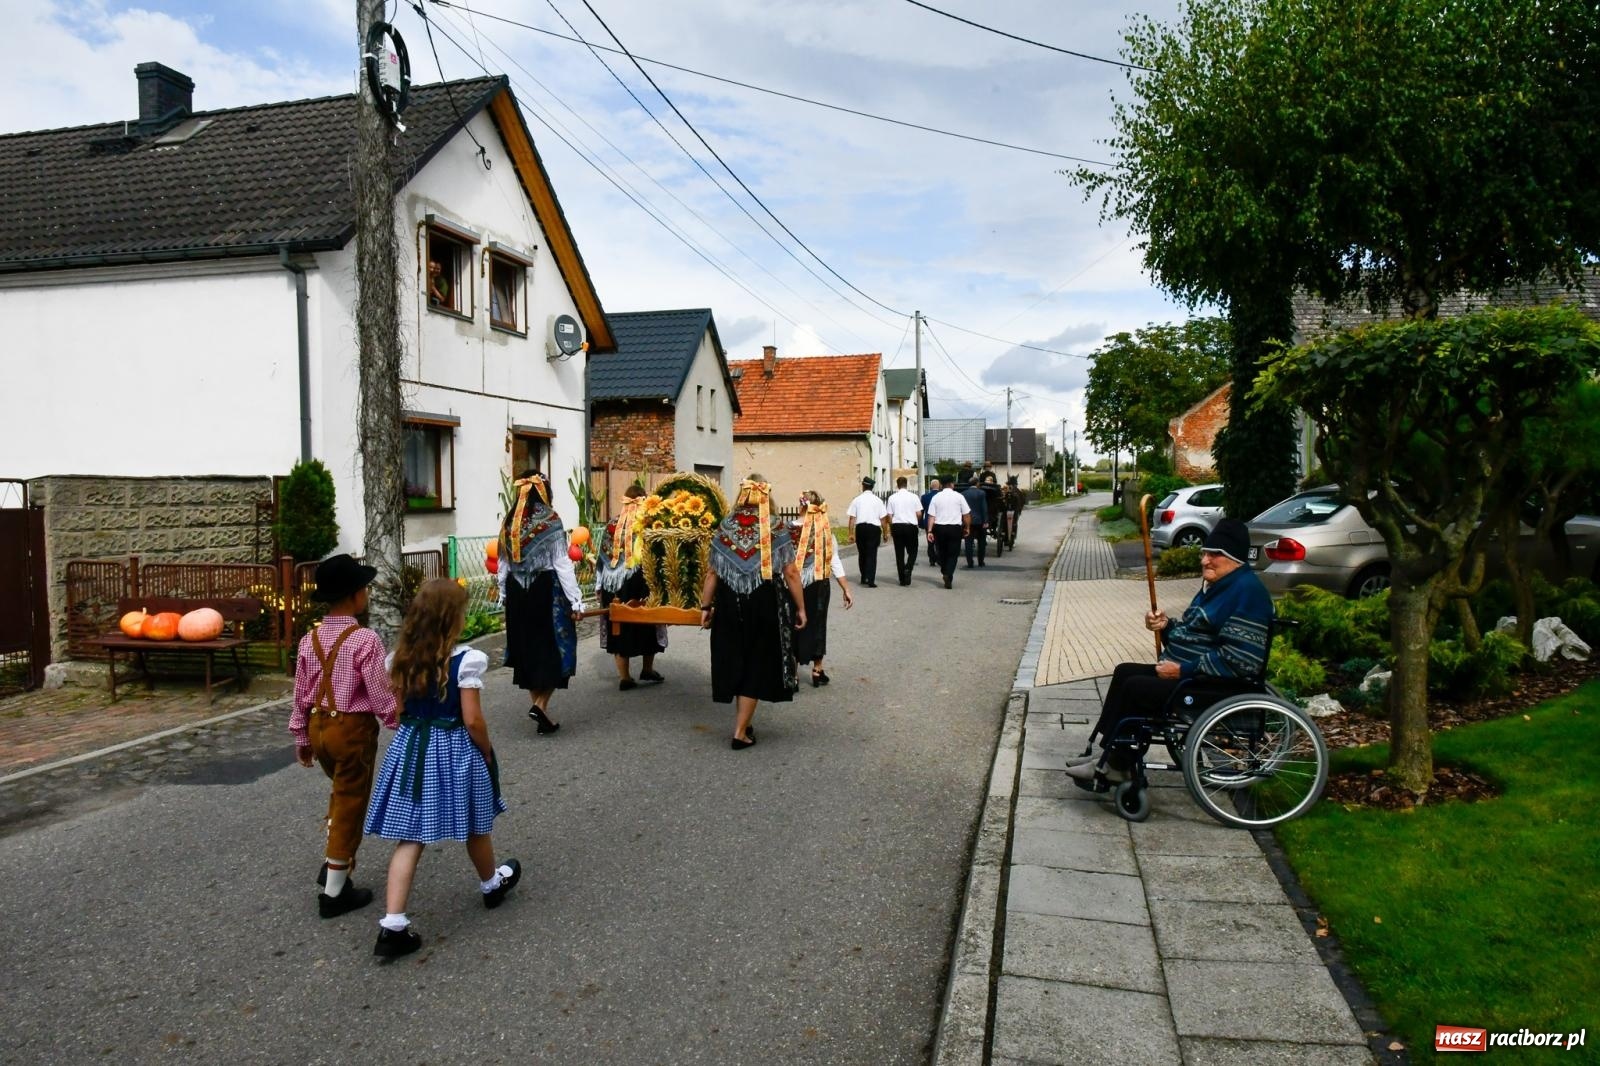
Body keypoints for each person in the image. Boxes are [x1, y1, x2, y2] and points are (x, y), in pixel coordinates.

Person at [363, 578, 521, 961]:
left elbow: (399, 711)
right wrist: (485, 751)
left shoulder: (399, 657)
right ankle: (490, 883)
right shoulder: (465, 661)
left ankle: (393, 923)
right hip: (453, 748)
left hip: (412, 748)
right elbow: (472, 720)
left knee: (410, 835)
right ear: (453, 618)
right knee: (475, 823)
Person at [1065, 518, 1273, 786]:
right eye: (1204, 553)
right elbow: (1195, 633)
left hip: (1215, 685)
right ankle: (1108, 753)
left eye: (1214, 555)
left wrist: (1181, 670)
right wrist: (1165, 626)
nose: (1204, 561)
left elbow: (1243, 660)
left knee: (1138, 687)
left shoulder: (1247, 593)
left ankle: (1118, 764)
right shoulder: (1221, 586)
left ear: (1234, 558)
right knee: (1124, 671)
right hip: (1193, 676)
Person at [289, 553, 398, 919]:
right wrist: (397, 721)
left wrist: (301, 737)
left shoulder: (310, 639)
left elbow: (301, 692)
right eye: (364, 589)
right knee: (351, 800)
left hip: (319, 729)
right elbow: (380, 692)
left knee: (340, 791)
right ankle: (335, 892)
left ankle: (337, 861)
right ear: (355, 596)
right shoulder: (365, 639)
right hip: (350, 730)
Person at [700, 476, 807, 749]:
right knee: (756, 664)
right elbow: (791, 572)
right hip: (764, 601)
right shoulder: (775, 527)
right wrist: (801, 608)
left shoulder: (725, 527)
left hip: (728, 601)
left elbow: (712, 571)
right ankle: (739, 732)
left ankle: (744, 723)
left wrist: (705, 605)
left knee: (737, 658)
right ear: (765, 496)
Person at [497, 470, 585, 735]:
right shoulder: (551, 521)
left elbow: (502, 563)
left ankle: (541, 711)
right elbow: (562, 564)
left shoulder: (509, 521)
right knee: (556, 648)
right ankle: (541, 704)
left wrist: (503, 593)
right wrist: (576, 601)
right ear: (544, 491)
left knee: (527, 650)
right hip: (545, 591)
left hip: (516, 592)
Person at [595, 483, 667, 691]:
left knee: (618, 626)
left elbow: (602, 558)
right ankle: (647, 668)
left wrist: (600, 584)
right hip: (641, 580)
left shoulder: (611, 525)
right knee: (648, 621)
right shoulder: (649, 524)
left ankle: (625, 676)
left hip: (613, 585)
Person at [790, 490, 854, 685]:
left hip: (792, 584)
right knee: (818, 623)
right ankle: (817, 669)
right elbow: (834, 561)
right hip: (819, 583)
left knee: (793, 624)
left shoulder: (786, 530)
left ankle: (792, 673)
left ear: (801, 506)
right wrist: (846, 589)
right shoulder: (825, 531)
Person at [925, 479, 971, 589]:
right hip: (955, 528)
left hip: (939, 528)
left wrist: (930, 531)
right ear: (952, 484)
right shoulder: (959, 496)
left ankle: (944, 570)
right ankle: (948, 573)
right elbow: (966, 514)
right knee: (953, 553)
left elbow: (931, 516)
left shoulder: (936, 497)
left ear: (941, 485)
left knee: (941, 552)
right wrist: (967, 527)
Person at [845, 477, 889, 588]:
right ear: (872, 487)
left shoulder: (857, 500)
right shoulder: (878, 500)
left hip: (860, 529)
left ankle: (864, 576)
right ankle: (871, 579)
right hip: (874, 529)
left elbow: (852, 518)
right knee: (872, 554)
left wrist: (850, 533)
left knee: (862, 553)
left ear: (863, 486)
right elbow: (883, 519)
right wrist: (885, 533)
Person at [885, 476, 924, 586]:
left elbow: (889, 515)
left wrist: (892, 527)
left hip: (897, 526)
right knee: (913, 551)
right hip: (910, 526)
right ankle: (908, 568)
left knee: (899, 553)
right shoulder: (914, 497)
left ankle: (902, 579)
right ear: (906, 484)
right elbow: (919, 513)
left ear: (897, 485)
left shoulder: (892, 498)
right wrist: (916, 521)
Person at [960, 473, 990, 568]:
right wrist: (985, 521)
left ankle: (970, 562)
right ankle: (981, 562)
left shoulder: (963, 494)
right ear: (977, 484)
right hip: (980, 521)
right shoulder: (981, 493)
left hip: (967, 521)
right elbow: (983, 508)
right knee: (981, 542)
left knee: (968, 542)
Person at [919, 478, 943, 570]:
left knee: (930, 542)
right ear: (939, 486)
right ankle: (939, 558)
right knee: (939, 542)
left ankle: (932, 559)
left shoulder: (925, 497)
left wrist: (920, 523)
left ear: (930, 486)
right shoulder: (941, 496)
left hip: (928, 521)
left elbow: (921, 511)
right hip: (939, 521)